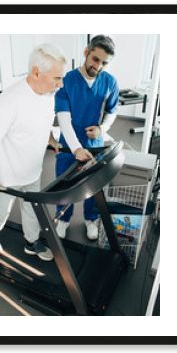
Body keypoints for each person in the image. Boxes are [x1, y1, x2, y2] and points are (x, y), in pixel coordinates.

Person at [0, 43, 66, 261]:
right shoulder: (10, 100)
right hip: (8, 174)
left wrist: (51, 139)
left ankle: (31, 243)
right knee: (0, 212)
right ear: (37, 72)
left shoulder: (48, 94)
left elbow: (43, 121)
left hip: (33, 169)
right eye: (56, 78)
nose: (60, 84)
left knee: (33, 210)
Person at [55, 35, 119, 240]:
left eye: (104, 62)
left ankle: (91, 219)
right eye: (95, 59)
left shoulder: (110, 82)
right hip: (69, 145)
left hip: (94, 145)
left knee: (93, 185)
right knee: (65, 184)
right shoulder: (67, 81)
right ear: (86, 52)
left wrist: (102, 128)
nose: (98, 66)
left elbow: (112, 111)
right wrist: (75, 148)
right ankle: (63, 219)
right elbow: (63, 119)